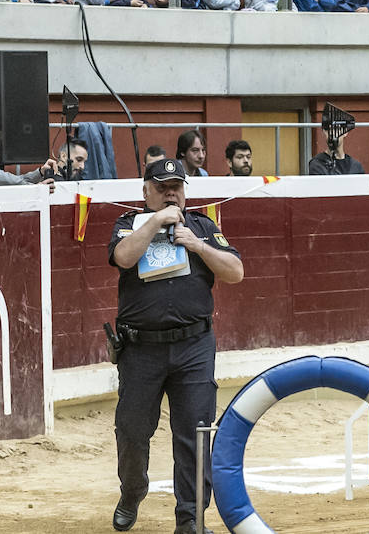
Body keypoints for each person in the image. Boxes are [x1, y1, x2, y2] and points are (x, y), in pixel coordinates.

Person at [108, 158, 243, 534]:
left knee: (195, 433)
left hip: (193, 347)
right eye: (163, 187)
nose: (171, 193)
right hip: (140, 349)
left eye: (177, 187)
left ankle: (190, 518)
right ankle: (132, 491)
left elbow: (235, 272)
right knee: (132, 430)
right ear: (146, 191)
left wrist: (198, 246)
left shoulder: (201, 225)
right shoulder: (128, 225)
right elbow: (123, 257)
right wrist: (155, 222)